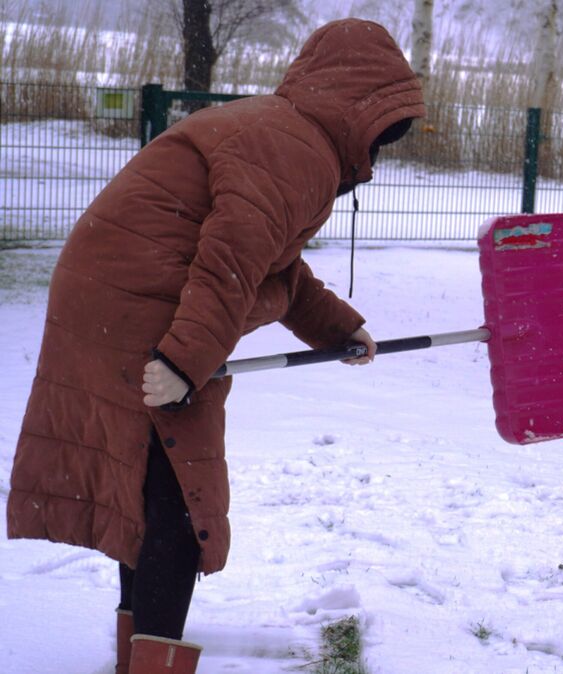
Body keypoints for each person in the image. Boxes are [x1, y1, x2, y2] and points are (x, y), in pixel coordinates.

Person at [5, 18, 425, 674]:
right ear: (360, 109)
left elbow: (273, 266)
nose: (380, 152)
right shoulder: (297, 149)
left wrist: (338, 327)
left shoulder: (282, 131)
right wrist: (180, 363)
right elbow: (231, 262)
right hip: (142, 302)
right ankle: (151, 665)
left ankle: (137, 657)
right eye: (383, 132)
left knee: (144, 487)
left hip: (110, 290)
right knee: (178, 497)